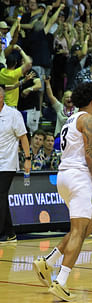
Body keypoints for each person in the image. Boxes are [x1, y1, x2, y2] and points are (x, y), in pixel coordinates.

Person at [32, 82, 92, 300]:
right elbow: (89, 155)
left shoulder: (69, 119)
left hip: (64, 176)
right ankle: (61, 281)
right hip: (78, 176)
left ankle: (49, 261)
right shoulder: (89, 120)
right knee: (79, 231)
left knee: (87, 227)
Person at [0, 87, 30, 243]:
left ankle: (1, 233)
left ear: (1, 98)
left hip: (7, 163)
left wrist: (27, 158)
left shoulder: (13, 115)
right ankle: (10, 232)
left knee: (1, 195)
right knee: (2, 197)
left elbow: (23, 138)